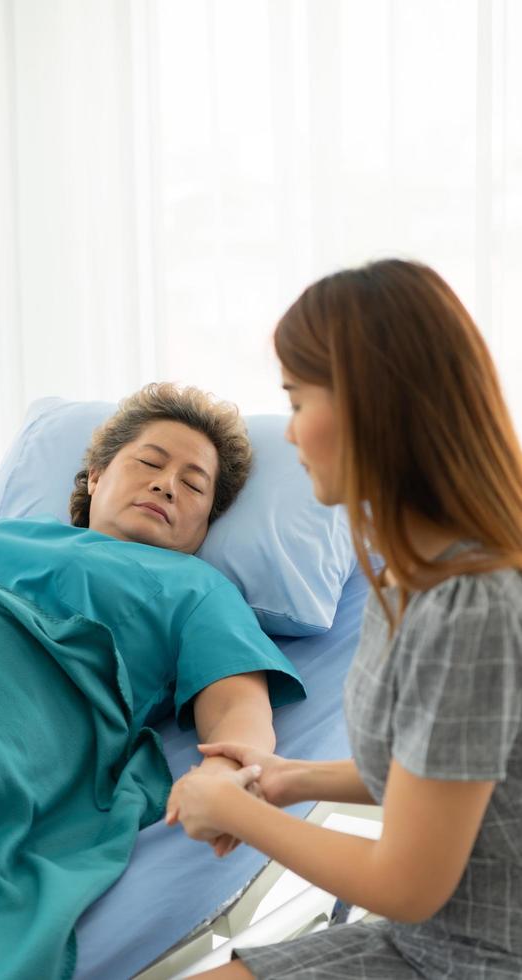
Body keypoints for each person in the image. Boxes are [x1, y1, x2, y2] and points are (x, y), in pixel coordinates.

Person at [0, 382, 305, 980]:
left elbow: (239, 712)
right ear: (95, 477)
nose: (166, 483)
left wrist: (229, 774)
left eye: (193, 483)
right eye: (149, 463)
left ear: (206, 522)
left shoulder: (197, 588)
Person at [167, 260, 522, 979]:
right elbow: (432, 771)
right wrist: (289, 777)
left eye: (298, 401)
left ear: (374, 405)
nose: (290, 435)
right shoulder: (408, 575)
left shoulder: (477, 605)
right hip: (419, 940)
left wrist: (237, 812)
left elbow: (407, 882)